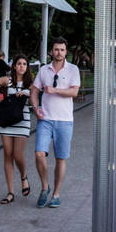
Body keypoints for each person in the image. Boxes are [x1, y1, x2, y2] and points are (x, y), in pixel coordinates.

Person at [31, 38, 80, 209]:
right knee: (39, 154)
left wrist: (55, 90)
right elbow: (34, 90)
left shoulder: (73, 69)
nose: (59, 52)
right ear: (51, 51)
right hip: (45, 119)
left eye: (62, 50)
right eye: (56, 49)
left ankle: (56, 194)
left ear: (66, 52)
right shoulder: (44, 70)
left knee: (60, 158)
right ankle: (45, 187)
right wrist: (36, 107)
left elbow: (74, 92)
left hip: (65, 120)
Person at [0, 54, 34, 204]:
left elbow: (36, 95)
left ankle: (23, 176)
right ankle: (10, 192)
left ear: (27, 67)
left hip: (22, 120)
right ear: (14, 66)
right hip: (7, 120)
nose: (22, 66)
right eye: (19, 64)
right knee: (7, 155)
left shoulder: (30, 82)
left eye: (24, 64)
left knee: (17, 155)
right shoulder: (7, 80)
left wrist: (26, 93)